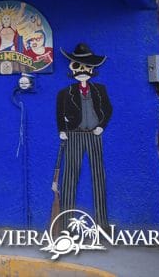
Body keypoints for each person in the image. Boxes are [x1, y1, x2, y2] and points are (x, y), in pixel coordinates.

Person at [54, 43, 112, 229]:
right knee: (70, 177)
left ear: (92, 69)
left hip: (94, 135)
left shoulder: (99, 90)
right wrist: (62, 131)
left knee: (98, 176)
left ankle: (102, 224)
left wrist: (101, 127)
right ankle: (65, 225)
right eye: (77, 66)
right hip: (74, 135)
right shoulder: (65, 92)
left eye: (86, 67)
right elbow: (59, 112)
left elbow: (108, 109)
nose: (82, 71)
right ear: (72, 69)